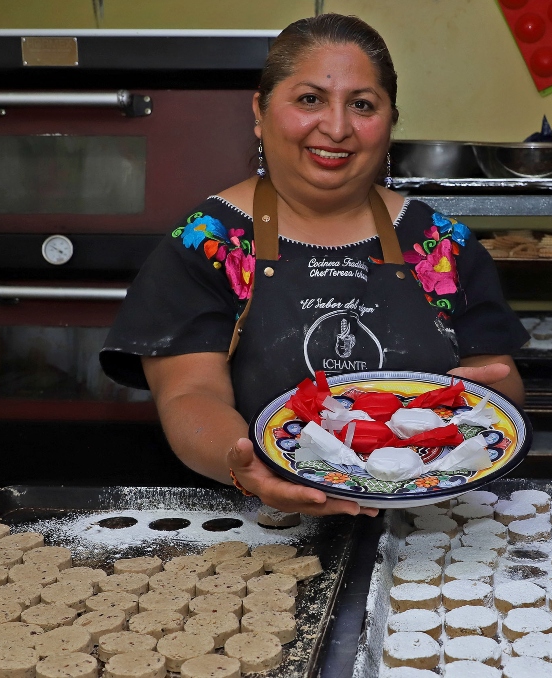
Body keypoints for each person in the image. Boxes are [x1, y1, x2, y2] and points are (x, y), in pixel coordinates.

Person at [101, 14, 529, 516]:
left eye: (363, 105)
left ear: (390, 121)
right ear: (261, 111)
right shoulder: (207, 242)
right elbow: (189, 395)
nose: (337, 127)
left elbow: (496, 379)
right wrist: (251, 469)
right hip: (259, 526)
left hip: (427, 526)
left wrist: (490, 398)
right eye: (310, 99)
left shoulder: (441, 243)